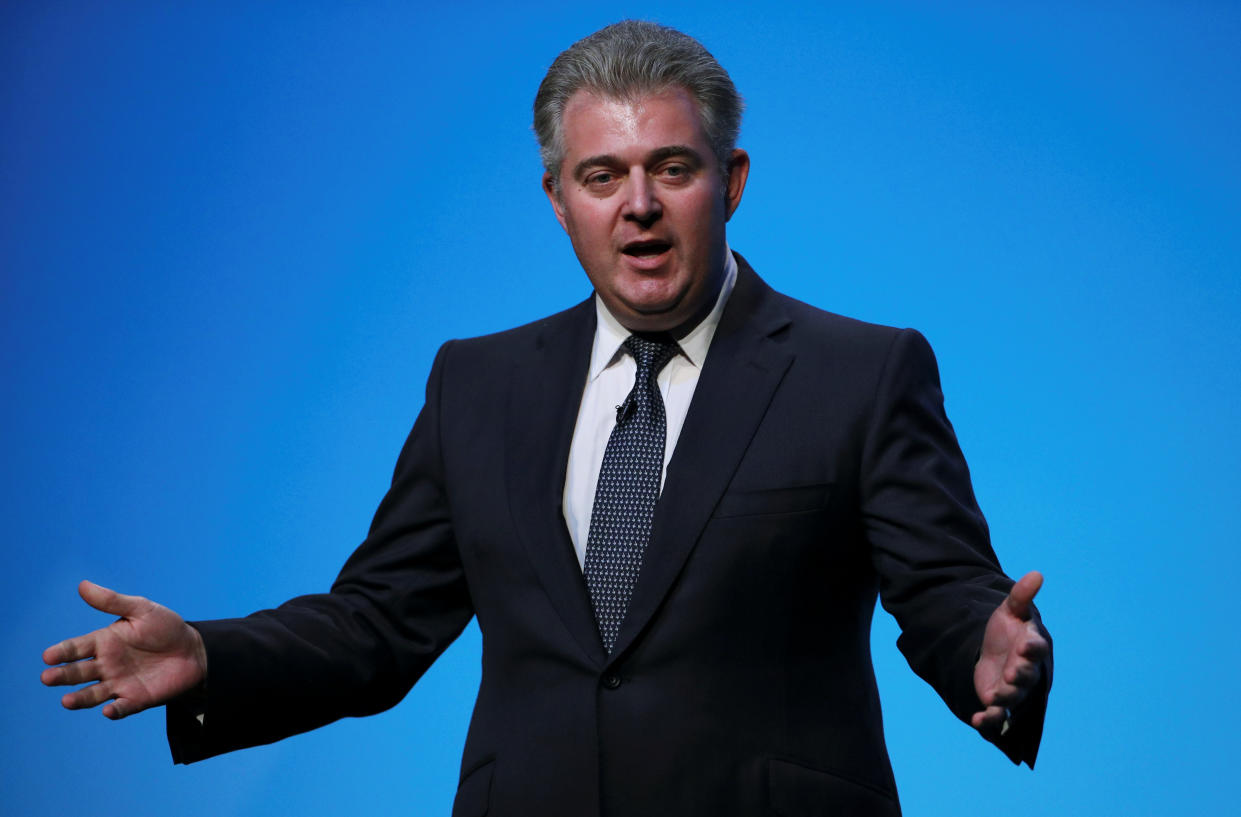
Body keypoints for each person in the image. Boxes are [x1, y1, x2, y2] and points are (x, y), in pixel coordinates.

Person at [42, 20, 1051, 816]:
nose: (638, 204)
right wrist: (210, 656)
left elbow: (944, 589)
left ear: (730, 183)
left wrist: (988, 652)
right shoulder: (475, 385)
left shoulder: (862, 371)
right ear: (557, 199)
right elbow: (378, 623)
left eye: (672, 168)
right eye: (601, 176)